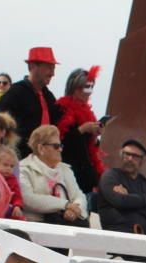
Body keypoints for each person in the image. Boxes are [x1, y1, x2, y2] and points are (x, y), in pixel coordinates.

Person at [0, 47, 61, 158]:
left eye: (53, 68)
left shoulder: (49, 98)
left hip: (43, 161)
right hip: (18, 160)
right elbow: (2, 130)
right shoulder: (14, 94)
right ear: (32, 67)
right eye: (49, 68)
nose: (53, 73)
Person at [19, 124, 87, 225]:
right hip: (36, 225)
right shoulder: (24, 168)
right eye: (56, 146)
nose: (60, 149)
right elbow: (28, 199)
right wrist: (65, 205)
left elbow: (79, 195)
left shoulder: (65, 169)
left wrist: (73, 210)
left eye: (61, 145)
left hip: (66, 224)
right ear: (41, 148)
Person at [97, 138, 146, 234]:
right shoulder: (111, 176)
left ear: (142, 161)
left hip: (145, 236)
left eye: (135, 156)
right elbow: (119, 201)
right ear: (121, 155)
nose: (130, 159)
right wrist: (145, 199)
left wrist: (128, 198)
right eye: (127, 154)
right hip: (117, 234)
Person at [56, 67, 104, 195]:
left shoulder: (87, 112)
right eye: (86, 87)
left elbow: (90, 148)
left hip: (85, 174)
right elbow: (60, 141)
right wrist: (82, 129)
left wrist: (94, 135)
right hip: (68, 171)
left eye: (91, 87)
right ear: (75, 88)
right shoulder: (61, 109)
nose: (89, 92)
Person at [0, 146, 25, 220]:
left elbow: (17, 196)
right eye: (5, 165)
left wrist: (17, 206)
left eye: (12, 166)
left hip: (7, 212)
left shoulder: (12, 179)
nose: (9, 168)